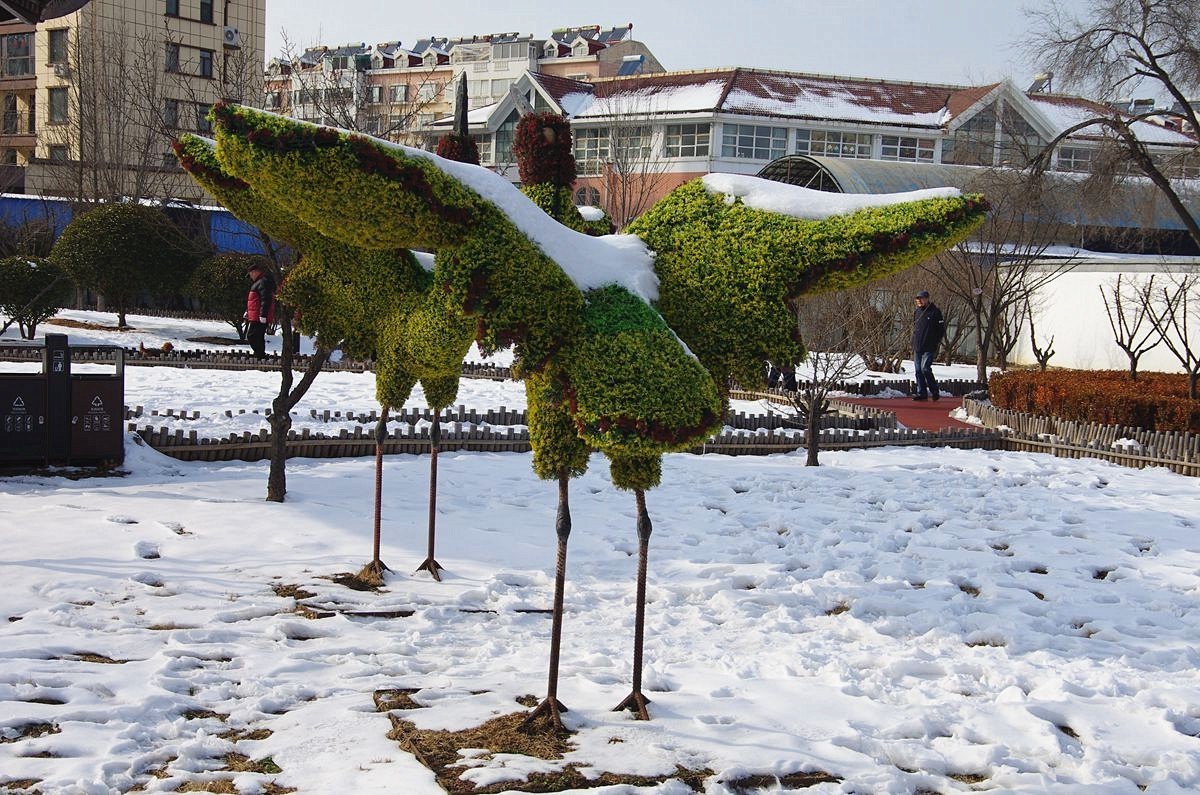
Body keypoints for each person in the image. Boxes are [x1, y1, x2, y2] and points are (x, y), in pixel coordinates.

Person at [912, 290, 945, 401]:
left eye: (921, 298)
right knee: (918, 371)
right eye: (917, 299)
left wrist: (935, 341)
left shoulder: (935, 312)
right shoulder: (917, 312)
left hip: (929, 346)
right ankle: (921, 393)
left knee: (925, 368)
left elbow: (941, 330)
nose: (919, 301)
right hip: (917, 346)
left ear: (927, 299)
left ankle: (934, 390)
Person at [245, 262, 276, 359]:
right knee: (258, 336)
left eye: (250, 274)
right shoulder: (261, 282)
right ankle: (259, 354)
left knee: (252, 336)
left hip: (259, 316)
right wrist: (248, 311)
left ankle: (260, 355)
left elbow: (265, 299)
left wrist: (263, 314)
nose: (250, 277)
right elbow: (255, 301)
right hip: (256, 315)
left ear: (254, 272)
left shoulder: (263, 282)